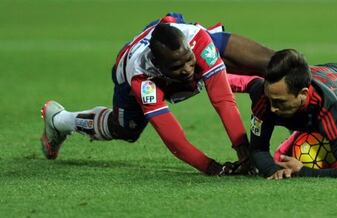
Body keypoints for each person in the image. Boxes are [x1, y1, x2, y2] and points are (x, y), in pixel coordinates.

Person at [40, 14, 254, 176]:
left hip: (168, 31)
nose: (188, 68)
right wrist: (211, 167)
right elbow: (174, 138)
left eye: (189, 60)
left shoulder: (197, 39)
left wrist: (243, 150)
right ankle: (58, 119)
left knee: (249, 64)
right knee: (125, 130)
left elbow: (223, 100)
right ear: (159, 65)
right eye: (179, 66)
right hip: (128, 70)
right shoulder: (142, 79)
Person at [227, 49, 337, 179]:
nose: (272, 109)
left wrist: (301, 170)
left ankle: (307, 137)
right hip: (326, 71)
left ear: (303, 94)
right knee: (294, 150)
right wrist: (274, 170)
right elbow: (258, 150)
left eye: (280, 102)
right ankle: (298, 134)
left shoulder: (331, 110)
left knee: (324, 154)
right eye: (269, 99)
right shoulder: (263, 97)